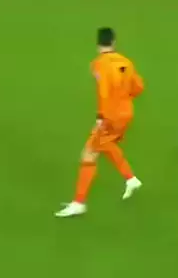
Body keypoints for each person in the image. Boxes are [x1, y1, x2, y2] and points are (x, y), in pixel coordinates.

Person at [55, 27, 144, 218]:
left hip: (109, 116)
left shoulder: (98, 65)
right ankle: (130, 179)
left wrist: (100, 117)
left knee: (89, 154)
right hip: (126, 114)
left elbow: (103, 91)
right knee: (104, 145)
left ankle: (79, 203)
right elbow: (138, 88)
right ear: (113, 42)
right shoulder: (126, 62)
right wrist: (123, 98)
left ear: (98, 44)